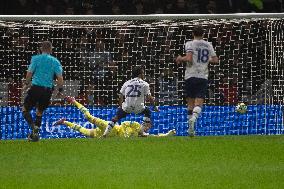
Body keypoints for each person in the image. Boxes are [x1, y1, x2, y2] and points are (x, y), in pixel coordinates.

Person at [53, 96, 175, 138]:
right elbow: (124, 123)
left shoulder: (142, 136)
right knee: (89, 118)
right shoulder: (137, 126)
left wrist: (168, 134)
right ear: (145, 124)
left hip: (102, 136)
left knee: (84, 131)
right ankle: (74, 102)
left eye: (149, 127)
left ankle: (64, 122)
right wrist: (126, 134)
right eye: (148, 125)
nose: (148, 129)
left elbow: (155, 136)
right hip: (110, 128)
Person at [176, 25, 219, 137]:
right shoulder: (208, 44)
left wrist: (180, 58)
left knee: (190, 103)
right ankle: (194, 120)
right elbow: (215, 60)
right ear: (203, 34)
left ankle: (190, 129)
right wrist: (205, 60)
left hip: (190, 76)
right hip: (203, 77)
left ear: (193, 34)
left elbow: (189, 58)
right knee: (199, 103)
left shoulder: (190, 44)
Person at [22, 41, 63, 142]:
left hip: (36, 88)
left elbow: (29, 73)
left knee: (25, 109)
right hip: (47, 90)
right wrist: (60, 89)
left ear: (41, 49)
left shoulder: (35, 58)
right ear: (50, 49)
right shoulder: (55, 61)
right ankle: (34, 135)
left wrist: (26, 83)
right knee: (39, 112)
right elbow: (60, 78)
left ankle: (33, 129)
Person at [102, 66, 159, 137]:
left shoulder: (126, 83)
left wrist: (120, 107)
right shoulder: (145, 84)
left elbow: (120, 96)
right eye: (143, 73)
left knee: (115, 118)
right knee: (148, 112)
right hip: (139, 108)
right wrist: (154, 106)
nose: (144, 75)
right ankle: (141, 132)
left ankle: (105, 134)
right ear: (140, 74)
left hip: (127, 107)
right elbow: (149, 97)